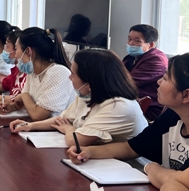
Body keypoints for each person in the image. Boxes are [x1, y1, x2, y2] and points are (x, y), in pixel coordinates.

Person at [67, 52, 189, 189]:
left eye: (165, 78)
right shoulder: (173, 116)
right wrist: (89, 152)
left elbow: (184, 183)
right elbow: (131, 147)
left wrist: (151, 168)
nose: (159, 82)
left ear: (186, 95)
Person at [10, 49, 148, 147]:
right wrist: (30, 126)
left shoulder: (119, 106)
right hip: (95, 160)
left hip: (126, 168)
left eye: (73, 74)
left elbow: (75, 141)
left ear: (90, 83)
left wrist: (69, 129)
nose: (70, 78)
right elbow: (62, 120)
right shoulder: (87, 95)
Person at [0, 27, 74, 121]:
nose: (15, 55)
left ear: (28, 51)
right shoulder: (33, 72)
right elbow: (29, 104)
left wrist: (24, 95)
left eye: (16, 49)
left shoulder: (58, 72)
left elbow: (37, 115)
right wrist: (12, 107)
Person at [122, 24, 168, 121]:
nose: (131, 43)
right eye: (129, 39)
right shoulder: (131, 57)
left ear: (150, 45)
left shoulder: (156, 60)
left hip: (148, 111)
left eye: (137, 41)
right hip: (129, 102)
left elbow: (126, 82)